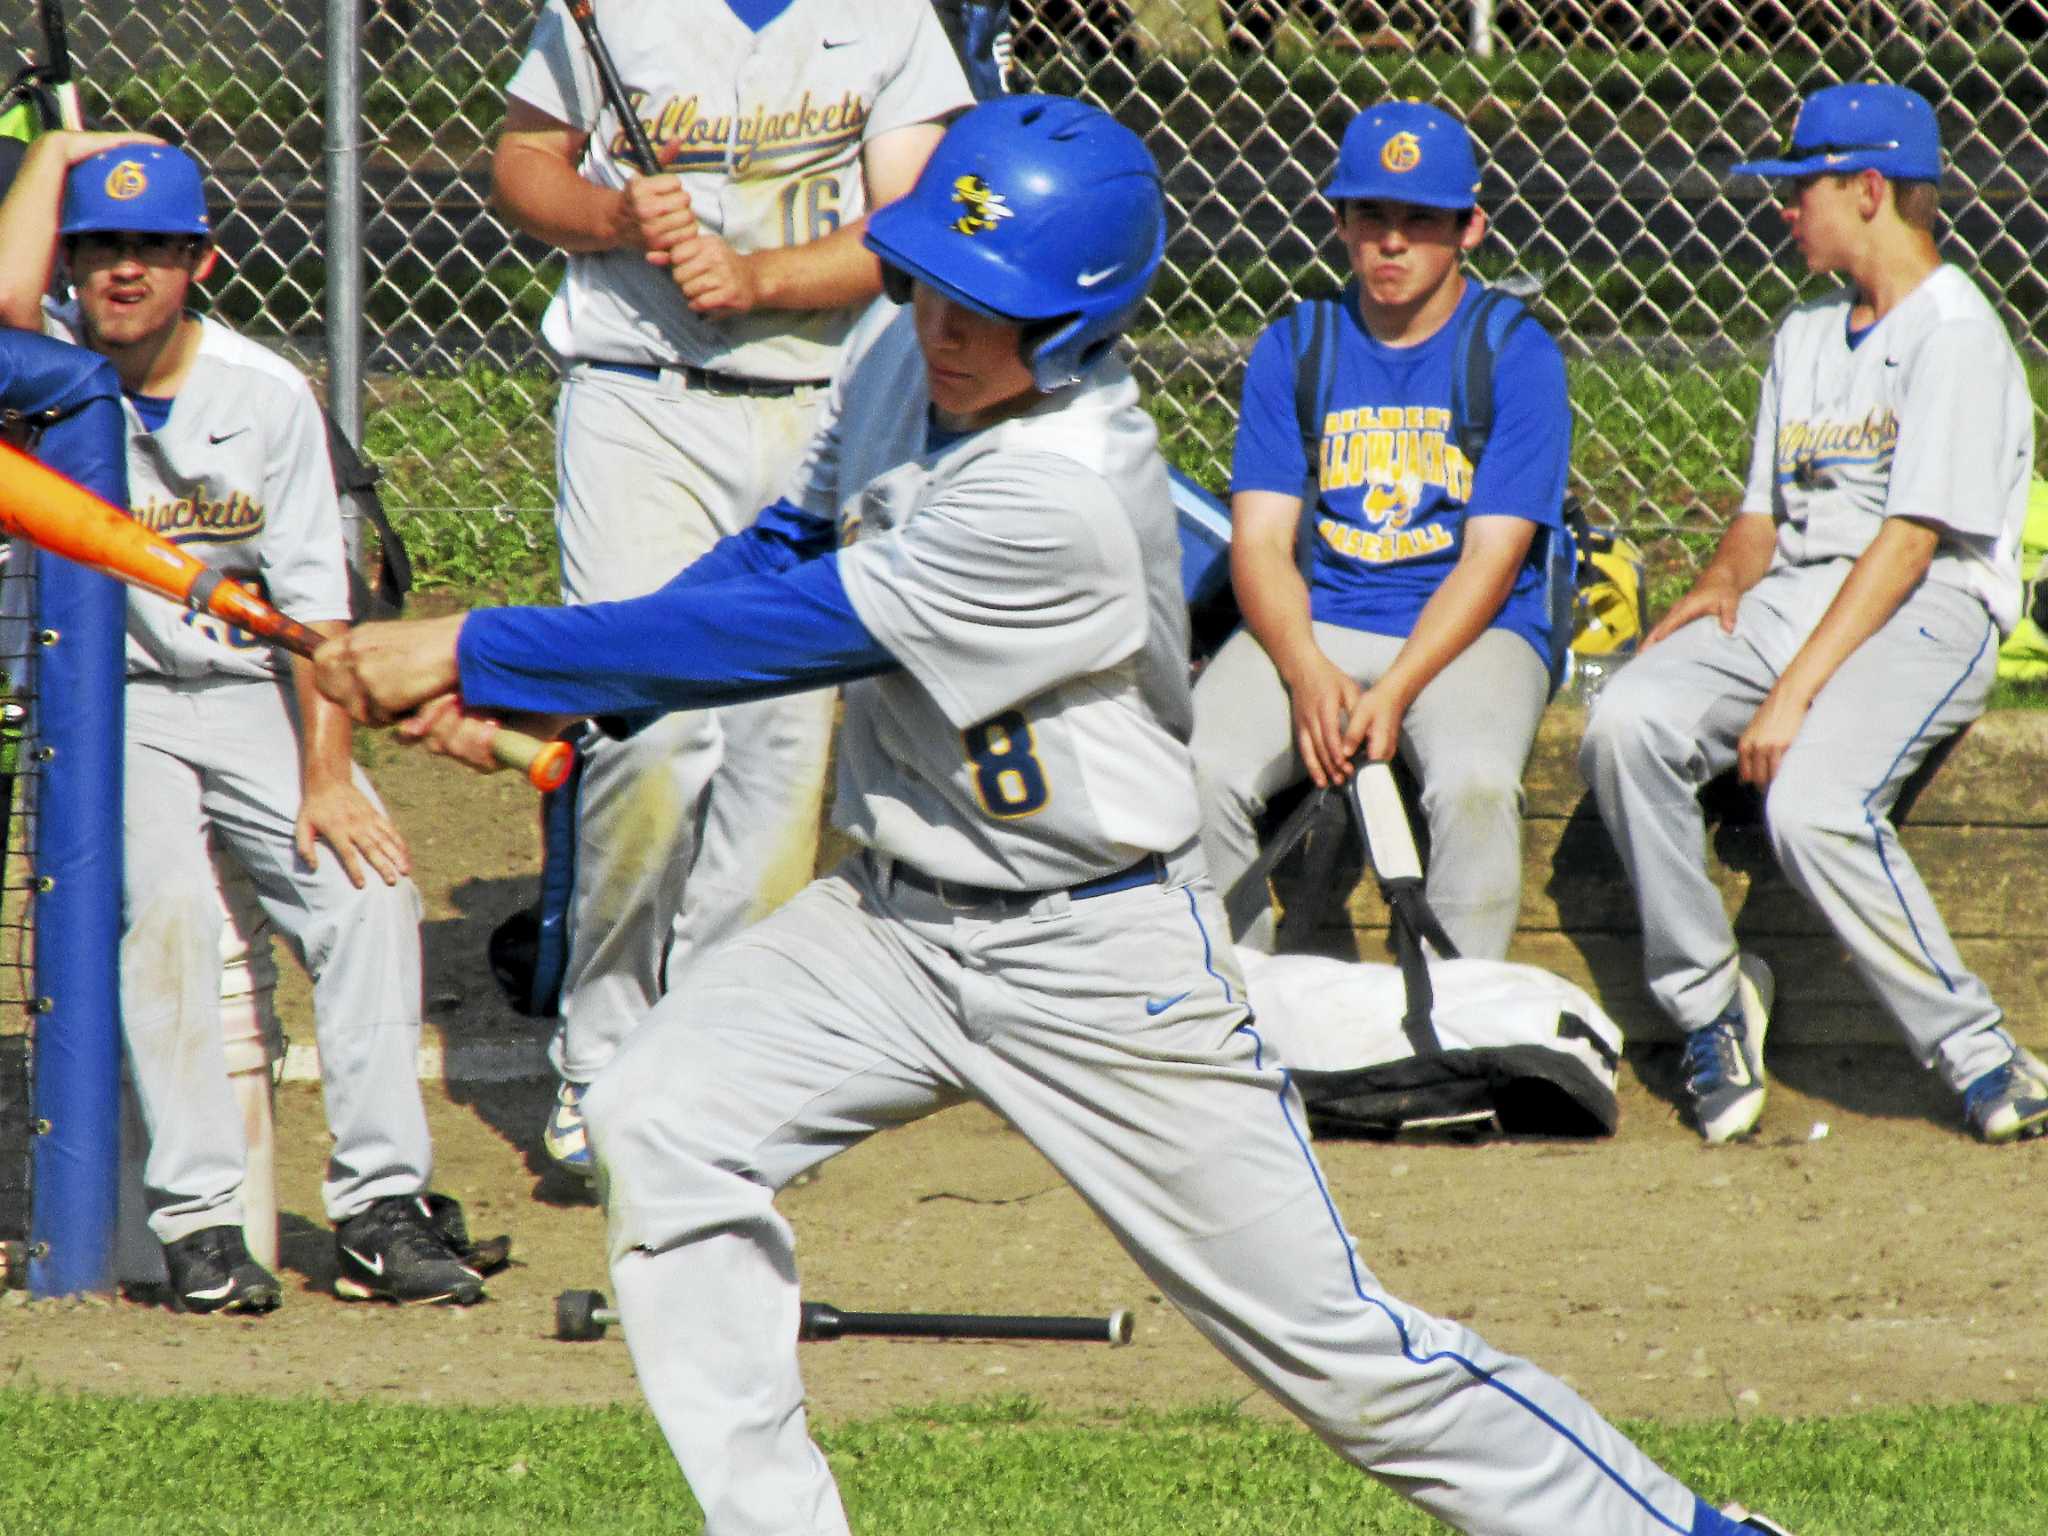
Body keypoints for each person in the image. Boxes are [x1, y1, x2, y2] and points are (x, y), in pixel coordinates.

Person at [314, 95, 1794, 1536]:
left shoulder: (1067, 496)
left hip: (1094, 958)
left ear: (1078, 326)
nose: (942, 329)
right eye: (930, 284)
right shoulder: (908, 353)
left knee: (1343, 1360)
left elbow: (803, 631)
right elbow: (777, 549)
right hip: (889, 928)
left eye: (987, 308)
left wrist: (476, 649)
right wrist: (575, 698)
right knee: (661, 1121)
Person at [0, 133, 498, 1309]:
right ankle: (202, 1225)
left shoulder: (266, 393)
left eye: (152, 250)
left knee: (367, 889)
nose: (124, 271)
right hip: (103, 705)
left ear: (201, 263)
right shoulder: (39, 363)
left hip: (251, 697)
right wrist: (59, 149)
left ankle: (381, 1210)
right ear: (68, 268)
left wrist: (330, 780)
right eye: (99, 248)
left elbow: (321, 615)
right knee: (165, 911)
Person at [489, 1, 972, 1180]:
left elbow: (908, 224)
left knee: (773, 764)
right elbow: (519, 162)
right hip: (638, 396)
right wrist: (605, 214)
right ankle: (599, 1062)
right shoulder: (606, 12)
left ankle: (708, 1077)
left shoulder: (888, 15)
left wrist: (759, 276)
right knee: (645, 741)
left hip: (818, 402)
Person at [1579, 82, 2045, 1147]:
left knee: (1810, 807)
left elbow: (1906, 543)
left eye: (1803, 189)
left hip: (1926, 609)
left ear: (1869, 189)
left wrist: (1789, 695)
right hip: (1799, 598)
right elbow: (1760, 515)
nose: (1783, 208)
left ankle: (1980, 1052)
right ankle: (1708, 1009)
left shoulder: (1955, 336)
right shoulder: (1802, 333)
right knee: (1625, 721)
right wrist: (1717, 586)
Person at [1191, 100, 1571, 959]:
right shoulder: (1298, 344)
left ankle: (1454, 1035)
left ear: (1470, 228)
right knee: (1202, 765)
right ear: (1339, 222)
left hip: (1473, 628)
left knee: (1475, 785)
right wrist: (1305, 668)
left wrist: (1394, 689)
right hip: (1322, 617)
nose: (1392, 242)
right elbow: (1258, 542)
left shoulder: (1516, 353)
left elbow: (1493, 557)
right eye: (1372, 216)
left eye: (1420, 220)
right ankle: (1235, 1016)